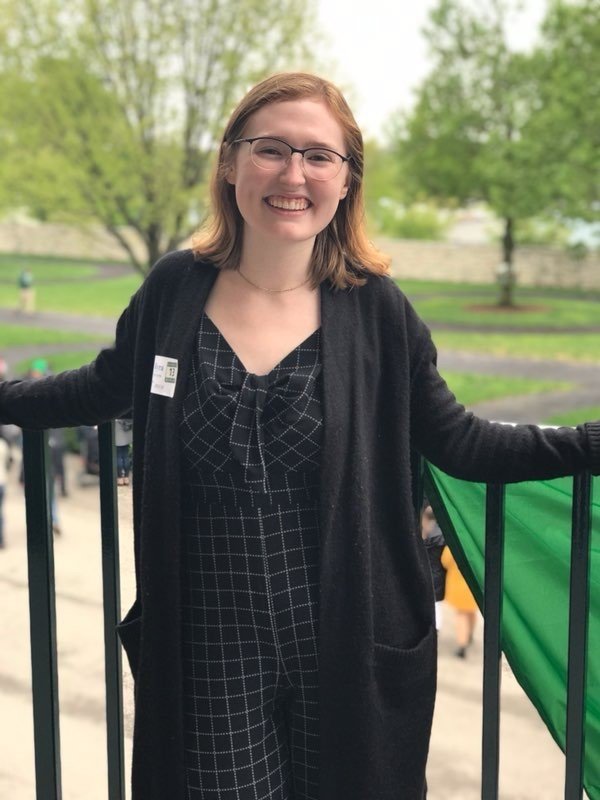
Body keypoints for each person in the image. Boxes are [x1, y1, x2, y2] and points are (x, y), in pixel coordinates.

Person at [0, 72, 598, 800]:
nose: (294, 174)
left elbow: (465, 443)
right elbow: (102, 385)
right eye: (270, 149)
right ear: (229, 163)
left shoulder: (379, 313)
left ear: (347, 181)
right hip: (206, 647)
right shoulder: (173, 291)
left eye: (320, 156)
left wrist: (589, 443)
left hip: (346, 642)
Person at [441, 545, 479, 658]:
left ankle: (462, 645)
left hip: (458, 585)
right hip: (474, 585)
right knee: (471, 611)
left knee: (461, 615)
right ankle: (470, 634)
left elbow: (445, 561)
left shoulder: (453, 546)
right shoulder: (475, 546)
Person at [421, 502, 446, 631]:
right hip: (438, 574)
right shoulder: (441, 536)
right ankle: (435, 627)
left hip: (426, 572)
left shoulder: (424, 535)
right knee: (437, 603)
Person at [114, 417, 133, 485]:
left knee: (118, 456)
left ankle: (120, 478)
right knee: (126, 456)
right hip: (126, 436)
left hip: (118, 436)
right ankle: (126, 478)